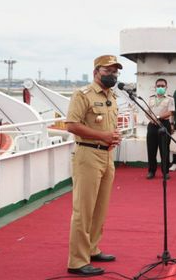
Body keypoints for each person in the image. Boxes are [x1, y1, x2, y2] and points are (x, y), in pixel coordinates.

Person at [65, 55, 122, 276]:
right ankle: (77, 261)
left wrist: (113, 137)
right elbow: (71, 125)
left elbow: (110, 126)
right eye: (108, 71)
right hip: (87, 155)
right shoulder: (83, 95)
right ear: (96, 72)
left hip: (107, 156)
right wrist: (104, 135)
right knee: (83, 210)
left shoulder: (113, 96)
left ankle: (92, 248)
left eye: (116, 71)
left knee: (100, 208)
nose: (113, 75)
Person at [145, 79, 175, 179]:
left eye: (162, 86)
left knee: (164, 150)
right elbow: (147, 112)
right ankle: (151, 171)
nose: (160, 88)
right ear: (155, 87)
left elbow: (170, 112)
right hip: (152, 125)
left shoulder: (170, 99)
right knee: (151, 150)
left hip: (164, 125)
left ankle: (165, 172)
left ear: (166, 87)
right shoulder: (150, 98)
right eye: (158, 86)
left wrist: (158, 117)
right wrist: (152, 119)